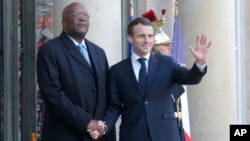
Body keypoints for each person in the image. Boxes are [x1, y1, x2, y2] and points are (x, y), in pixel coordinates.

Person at [89, 17, 211, 141]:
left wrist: (200, 63)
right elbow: (114, 106)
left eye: (150, 36)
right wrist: (104, 125)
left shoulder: (166, 63)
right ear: (130, 38)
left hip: (166, 134)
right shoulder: (117, 71)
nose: (147, 40)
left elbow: (190, 78)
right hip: (133, 135)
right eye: (142, 36)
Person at [36, 2, 116, 141]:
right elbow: (52, 95)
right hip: (65, 134)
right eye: (76, 15)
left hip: (97, 136)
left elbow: (108, 95)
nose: (82, 18)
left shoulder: (99, 52)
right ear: (64, 22)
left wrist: (103, 125)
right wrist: (86, 122)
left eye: (85, 15)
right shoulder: (50, 50)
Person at [144, 9, 187, 141]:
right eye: (165, 44)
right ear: (154, 48)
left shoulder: (172, 71)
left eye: (170, 44)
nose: (170, 47)